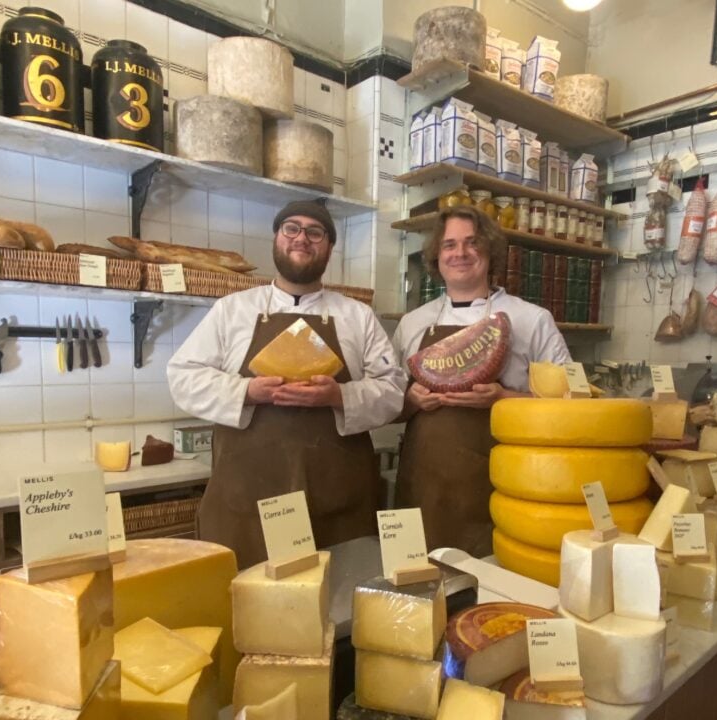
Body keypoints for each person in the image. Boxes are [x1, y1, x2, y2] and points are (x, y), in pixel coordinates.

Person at [167, 200, 406, 569]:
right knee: (249, 609)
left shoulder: (357, 316)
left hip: (337, 502)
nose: (302, 239)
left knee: (335, 605)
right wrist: (247, 391)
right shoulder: (233, 310)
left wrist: (339, 395)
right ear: (277, 238)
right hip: (247, 503)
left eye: (315, 232)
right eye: (291, 228)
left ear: (329, 246)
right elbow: (182, 375)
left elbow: (392, 391)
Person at [392, 205, 571, 557]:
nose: (460, 253)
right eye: (449, 245)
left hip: (502, 486)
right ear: (436, 257)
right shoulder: (413, 323)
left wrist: (503, 398)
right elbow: (386, 406)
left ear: (490, 251)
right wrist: (412, 402)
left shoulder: (532, 319)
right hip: (424, 485)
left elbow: (571, 402)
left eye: (472, 243)